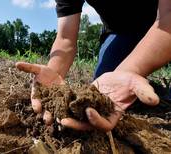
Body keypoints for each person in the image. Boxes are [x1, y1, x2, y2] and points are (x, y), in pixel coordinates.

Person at [16, 0, 171, 131]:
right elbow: (65, 38)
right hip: (120, 31)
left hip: (163, 17)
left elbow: (168, 15)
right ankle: (150, 89)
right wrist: (53, 76)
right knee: (106, 84)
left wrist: (132, 69)